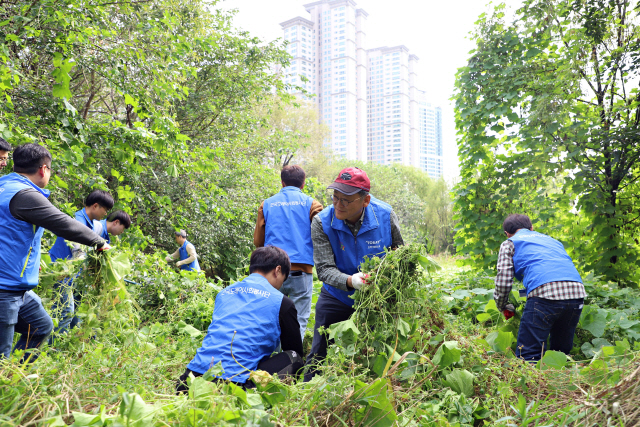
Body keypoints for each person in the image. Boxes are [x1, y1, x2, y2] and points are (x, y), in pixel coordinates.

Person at [0, 144, 109, 359]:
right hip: (5, 288)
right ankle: (6, 386)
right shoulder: (25, 194)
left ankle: (15, 377)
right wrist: (99, 242)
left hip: (17, 287)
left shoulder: (4, 185)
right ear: (43, 169)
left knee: (41, 326)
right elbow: (63, 224)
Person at [304, 167, 404, 381]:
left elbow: (400, 254)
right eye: (335, 197)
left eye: (346, 200)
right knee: (319, 352)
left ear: (365, 200)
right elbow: (324, 269)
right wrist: (350, 281)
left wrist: (384, 277)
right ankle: (305, 392)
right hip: (337, 295)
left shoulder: (385, 216)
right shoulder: (322, 222)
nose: (338, 205)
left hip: (377, 298)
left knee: (379, 351)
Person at [176, 246, 304, 392]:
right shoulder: (283, 302)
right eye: (283, 279)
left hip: (190, 381)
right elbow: (294, 349)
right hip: (236, 387)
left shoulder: (223, 293)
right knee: (294, 357)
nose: (280, 286)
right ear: (278, 270)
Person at [494, 214, 587, 362]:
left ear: (507, 234)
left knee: (528, 354)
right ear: (532, 228)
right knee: (560, 354)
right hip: (576, 291)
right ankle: (560, 381)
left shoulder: (509, 243)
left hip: (544, 293)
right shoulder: (553, 241)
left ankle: (531, 383)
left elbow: (504, 280)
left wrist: (502, 305)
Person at [254, 165, 323, 340]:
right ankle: (292, 360)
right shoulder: (312, 204)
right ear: (303, 183)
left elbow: (258, 242)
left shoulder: (267, 204)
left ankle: (270, 359)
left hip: (271, 271)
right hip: (301, 270)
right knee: (298, 319)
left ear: (282, 182)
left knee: (272, 317)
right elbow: (323, 234)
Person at [48, 189, 115, 341]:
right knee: (65, 310)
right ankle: (53, 347)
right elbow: (78, 250)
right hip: (62, 268)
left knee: (67, 309)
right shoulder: (79, 221)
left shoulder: (90, 223)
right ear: (96, 206)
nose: (106, 214)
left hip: (72, 270)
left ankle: (59, 343)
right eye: (105, 209)